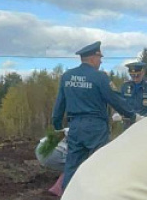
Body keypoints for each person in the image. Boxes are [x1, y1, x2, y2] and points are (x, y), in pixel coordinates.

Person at [51, 41, 135, 189]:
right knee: (100, 163)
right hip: (96, 127)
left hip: (75, 126)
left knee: (72, 165)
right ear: (92, 58)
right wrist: (132, 115)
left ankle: (68, 197)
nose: (100, 61)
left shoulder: (67, 77)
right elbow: (114, 99)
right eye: (99, 58)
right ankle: (98, 196)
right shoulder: (99, 77)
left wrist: (58, 126)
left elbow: (59, 104)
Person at [111, 61, 147, 128]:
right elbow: (120, 102)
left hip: (146, 123)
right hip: (128, 124)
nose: (135, 78)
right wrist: (116, 113)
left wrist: (146, 117)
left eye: (137, 75)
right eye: (132, 75)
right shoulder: (125, 86)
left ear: (143, 72)